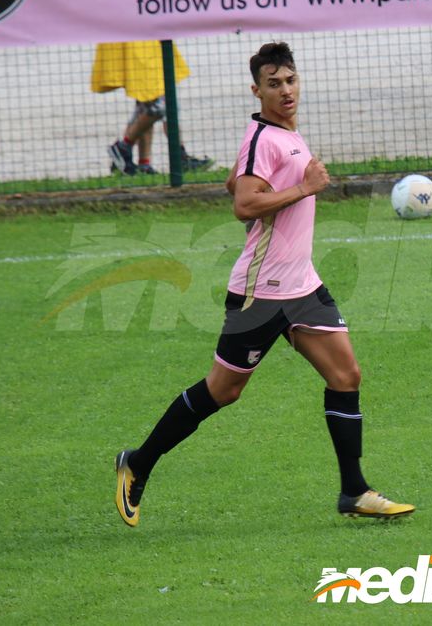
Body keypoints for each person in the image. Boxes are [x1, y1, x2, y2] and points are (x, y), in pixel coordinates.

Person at [114, 42, 414, 526]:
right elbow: (243, 205)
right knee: (223, 390)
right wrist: (304, 188)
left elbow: (237, 183)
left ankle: (355, 491)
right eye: (273, 84)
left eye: (290, 80)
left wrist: (263, 181)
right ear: (257, 91)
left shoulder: (281, 134)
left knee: (346, 376)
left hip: (302, 286)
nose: (285, 90)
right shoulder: (265, 138)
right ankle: (138, 462)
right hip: (263, 291)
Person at [90, 41, 213, 175]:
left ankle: (143, 164)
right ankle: (124, 148)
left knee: (147, 103)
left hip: (149, 46)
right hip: (140, 47)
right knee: (160, 105)